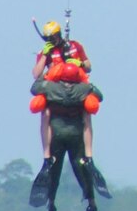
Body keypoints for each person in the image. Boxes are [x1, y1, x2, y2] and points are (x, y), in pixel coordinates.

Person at [32, 22, 105, 192]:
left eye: (55, 36)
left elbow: (89, 67)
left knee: (87, 112)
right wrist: (45, 55)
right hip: (55, 88)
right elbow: (36, 75)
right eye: (49, 38)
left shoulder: (74, 46)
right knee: (46, 113)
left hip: (75, 86)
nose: (53, 40)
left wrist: (78, 63)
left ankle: (89, 155)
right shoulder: (46, 52)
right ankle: (47, 156)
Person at [27, 69, 104, 211]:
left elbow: (34, 88)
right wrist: (85, 79)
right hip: (76, 134)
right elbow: (99, 96)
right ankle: (91, 202)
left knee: (54, 169)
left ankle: (51, 201)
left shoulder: (49, 87)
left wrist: (47, 73)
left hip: (56, 133)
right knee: (82, 169)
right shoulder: (83, 89)